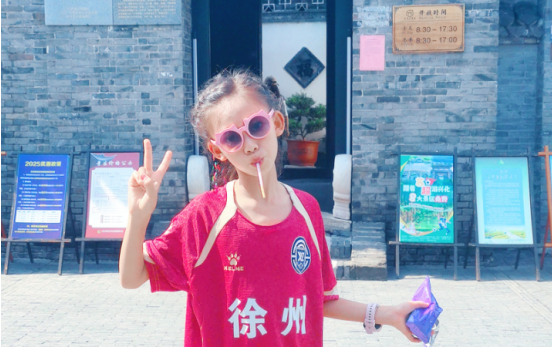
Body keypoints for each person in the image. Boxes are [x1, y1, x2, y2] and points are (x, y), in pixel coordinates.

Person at [119, 70, 428, 346]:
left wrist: (388, 314)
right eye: (232, 138)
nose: (251, 145)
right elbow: (131, 278)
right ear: (218, 151)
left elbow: (317, 300)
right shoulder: (204, 216)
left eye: (257, 126)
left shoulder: (307, 210)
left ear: (277, 123)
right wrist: (137, 216)